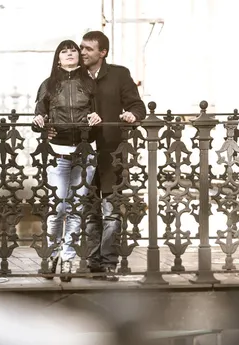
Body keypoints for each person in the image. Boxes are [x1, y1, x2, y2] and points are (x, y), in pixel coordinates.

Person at [32, 39, 102, 281]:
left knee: (75, 210)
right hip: (58, 152)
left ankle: (67, 259)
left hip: (85, 152)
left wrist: (96, 116)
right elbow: (38, 113)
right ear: (58, 58)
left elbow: (99, 111)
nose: (70, 54)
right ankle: (51, 255)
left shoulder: (89, 82)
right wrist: (40, 122)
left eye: (73, 50)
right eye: (65, 51)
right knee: (58, 208)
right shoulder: (49, 84)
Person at [79, 31, 147, 281]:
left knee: (110, 210)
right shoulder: (74, 76)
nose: (83, 52)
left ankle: (108, 263)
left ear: (102, 52)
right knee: (88, 211)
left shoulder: (119, 74)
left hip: (111, 152)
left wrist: (132, 116)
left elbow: (137, 106)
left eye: (88, 49)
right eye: (81, 48)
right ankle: (91, 261)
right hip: (82, 154)